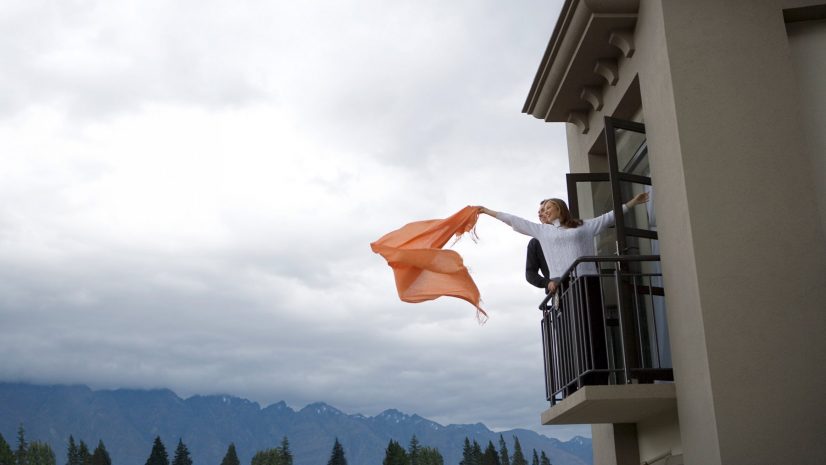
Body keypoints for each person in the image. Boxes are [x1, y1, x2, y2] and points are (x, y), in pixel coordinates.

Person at [477, 192, 649, 291]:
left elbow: (608, 218)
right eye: (542, 210)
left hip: (588, 280)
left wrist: (632, 203)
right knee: (573, 328)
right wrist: (486, 210)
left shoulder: (584, 226)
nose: (544, 212)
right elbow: (513, 220)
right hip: (561, 284)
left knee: (591, 325)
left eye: (547, 208)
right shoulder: (542, 231)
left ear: (559, 208)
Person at [526, 200, 553, 293]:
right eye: (539, 212)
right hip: (558, 293)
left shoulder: (572, 232)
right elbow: (530, 274)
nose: (540, 214)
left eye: (544, 210)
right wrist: (547, 283)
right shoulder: (535, 243)